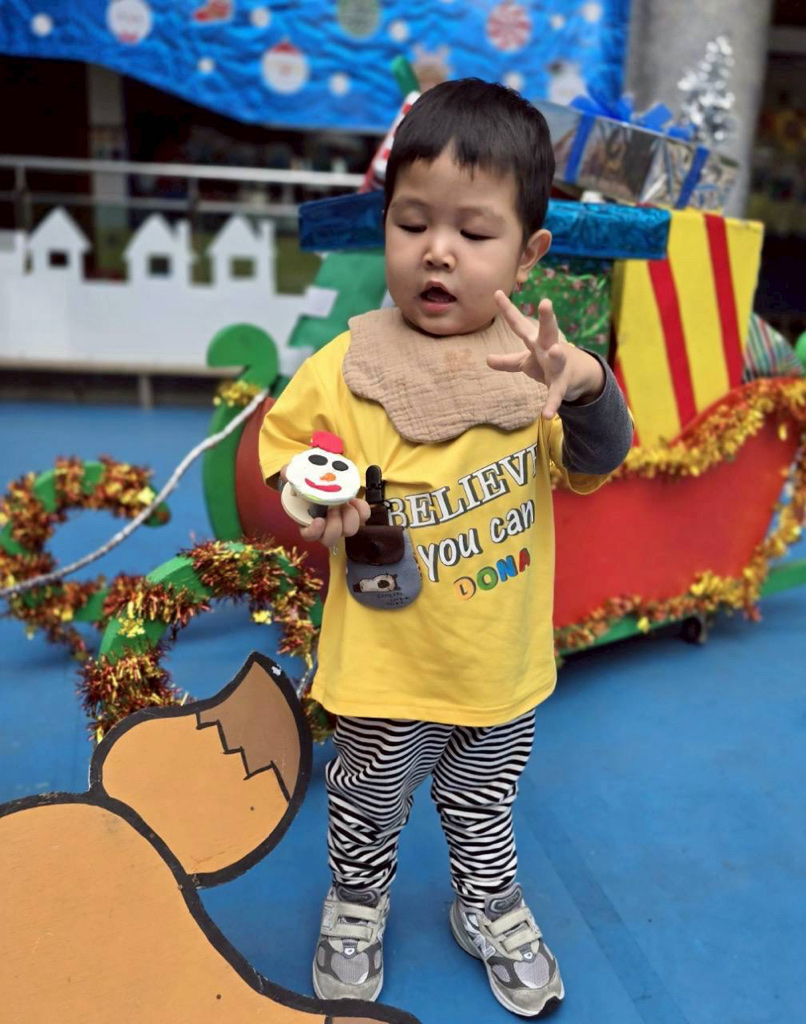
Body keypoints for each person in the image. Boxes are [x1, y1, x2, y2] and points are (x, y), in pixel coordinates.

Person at [259, 78, 633, 1019]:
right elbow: (288, 452)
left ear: (529, 252)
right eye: (413, 222)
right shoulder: (345, 367)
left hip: (498, 664)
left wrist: (587, 383)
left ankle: (484, 901)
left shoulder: (536, 367)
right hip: (385, 666)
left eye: (474, 231)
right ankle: (357, 901)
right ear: (384, 225)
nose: (438, 250)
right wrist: (310, 493)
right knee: (366, 801)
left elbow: (599, 459)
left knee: (483, 800)